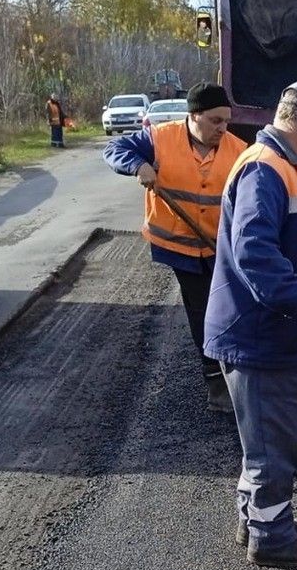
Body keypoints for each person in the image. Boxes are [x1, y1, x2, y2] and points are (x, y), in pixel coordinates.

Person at [205, 81, 297, 568]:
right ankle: (272, 537)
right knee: (276, 441)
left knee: (263, 437)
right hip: (260, 333)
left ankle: (261, 518)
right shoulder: (267, 169)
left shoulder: (286, 166)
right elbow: (254, 252)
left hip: (265, 330)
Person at [104, 82, 249, 413]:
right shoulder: (160, 138)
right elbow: (115, 149)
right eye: (215, 121)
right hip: (180, 249)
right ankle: (217, 385)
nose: (223, 128)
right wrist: (139, 166)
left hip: (219, 248)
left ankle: (240, 373)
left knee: (230, 308)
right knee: (203, 310)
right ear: (194, 116)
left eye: (226, 121)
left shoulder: (239, 150)